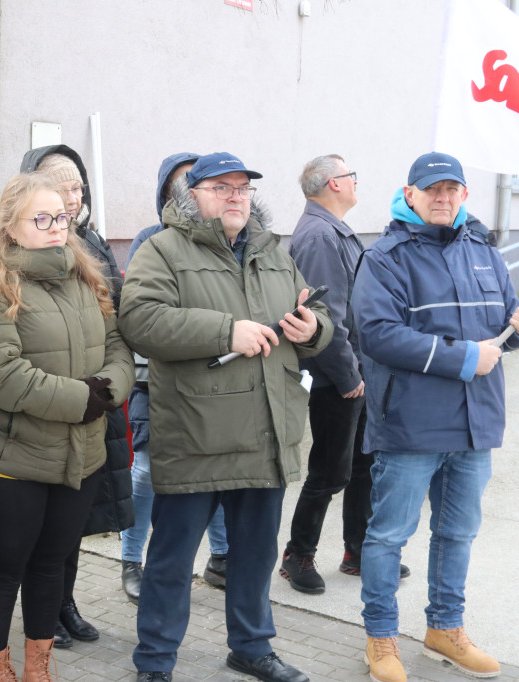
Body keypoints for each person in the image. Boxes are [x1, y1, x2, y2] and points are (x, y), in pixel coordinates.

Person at [119, 152, 332, 682]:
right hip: (197, 434)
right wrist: (226, 332)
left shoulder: (273, 252)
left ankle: (252, 647)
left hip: (267, 431)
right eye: (222, 187)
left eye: (242, 188)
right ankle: (155, 661)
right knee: (171, 561)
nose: (236, 196)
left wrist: (314, 330)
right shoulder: (162, 250)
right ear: (192, 196)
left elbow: (318, 312)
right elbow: (141, 320)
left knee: (255, 557)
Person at [0, 171, 133, 681]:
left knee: (52, 566)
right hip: (7, 459)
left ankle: (39, 669)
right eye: (43, 218)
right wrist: (85, 398)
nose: (58, 228)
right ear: (10, 226)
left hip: (80, 454)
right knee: (5, 568)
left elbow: (118, 344)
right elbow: (4, 376)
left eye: (63, 217)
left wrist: (111, 388)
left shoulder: (85, 273)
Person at [352, 152, 519, 682]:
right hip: (411, 423)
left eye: (452, 189)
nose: (443, 197)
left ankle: (445, 630)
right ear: (411, 193)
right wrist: (467, 357)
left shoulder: (483, 252)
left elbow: (503, 325)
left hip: (475, 425)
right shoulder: (386, 256)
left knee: (458, 533)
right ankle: (380, 638)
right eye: (432, 189)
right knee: (387, 537)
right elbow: (376, 333)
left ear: (465, 195)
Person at [19, 146, 135, 647]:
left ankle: (65, 604)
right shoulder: (22, 252)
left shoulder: (91, 243)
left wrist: (109, 385)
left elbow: (116, 314)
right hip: (48, 407)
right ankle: (41, 615)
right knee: (38, 530)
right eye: (64, 188)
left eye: (79, 187)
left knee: (75, 523)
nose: (75, 196)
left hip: (96, 403)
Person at [279, 155, 411, 595]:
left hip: (355, 369)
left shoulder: (335, 231)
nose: (357, 182)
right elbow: (325, 315)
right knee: (331, 469)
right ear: (334, 184)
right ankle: (298, 554)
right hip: (337, 373)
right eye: (352, 176)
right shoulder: (319, 235)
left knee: (362, 465)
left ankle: (359, 550)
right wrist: (348, 375)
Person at [119, 152, 231, 602]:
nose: (192, 190)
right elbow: (142, 317)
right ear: (167, 191)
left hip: (214, 377)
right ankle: (131, 559)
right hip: (155, 379)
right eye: (183, 183)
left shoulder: (229, 239)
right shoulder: (151, 240)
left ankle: (222, 558)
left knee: (220, 472)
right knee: (145, 472)